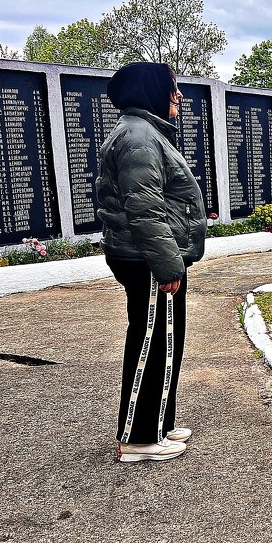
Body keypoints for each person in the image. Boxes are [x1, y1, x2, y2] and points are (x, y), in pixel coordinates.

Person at [97, 62, 206, 463]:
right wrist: (167, 264)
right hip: (147, 260)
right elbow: (144, 210)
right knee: (150, 343)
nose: (177, 96)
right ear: (151, 91)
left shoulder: (144, 132)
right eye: (171, 88)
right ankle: (139, 438)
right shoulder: (139, 138)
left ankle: (159, 422)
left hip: (152, 258)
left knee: (166, 341)